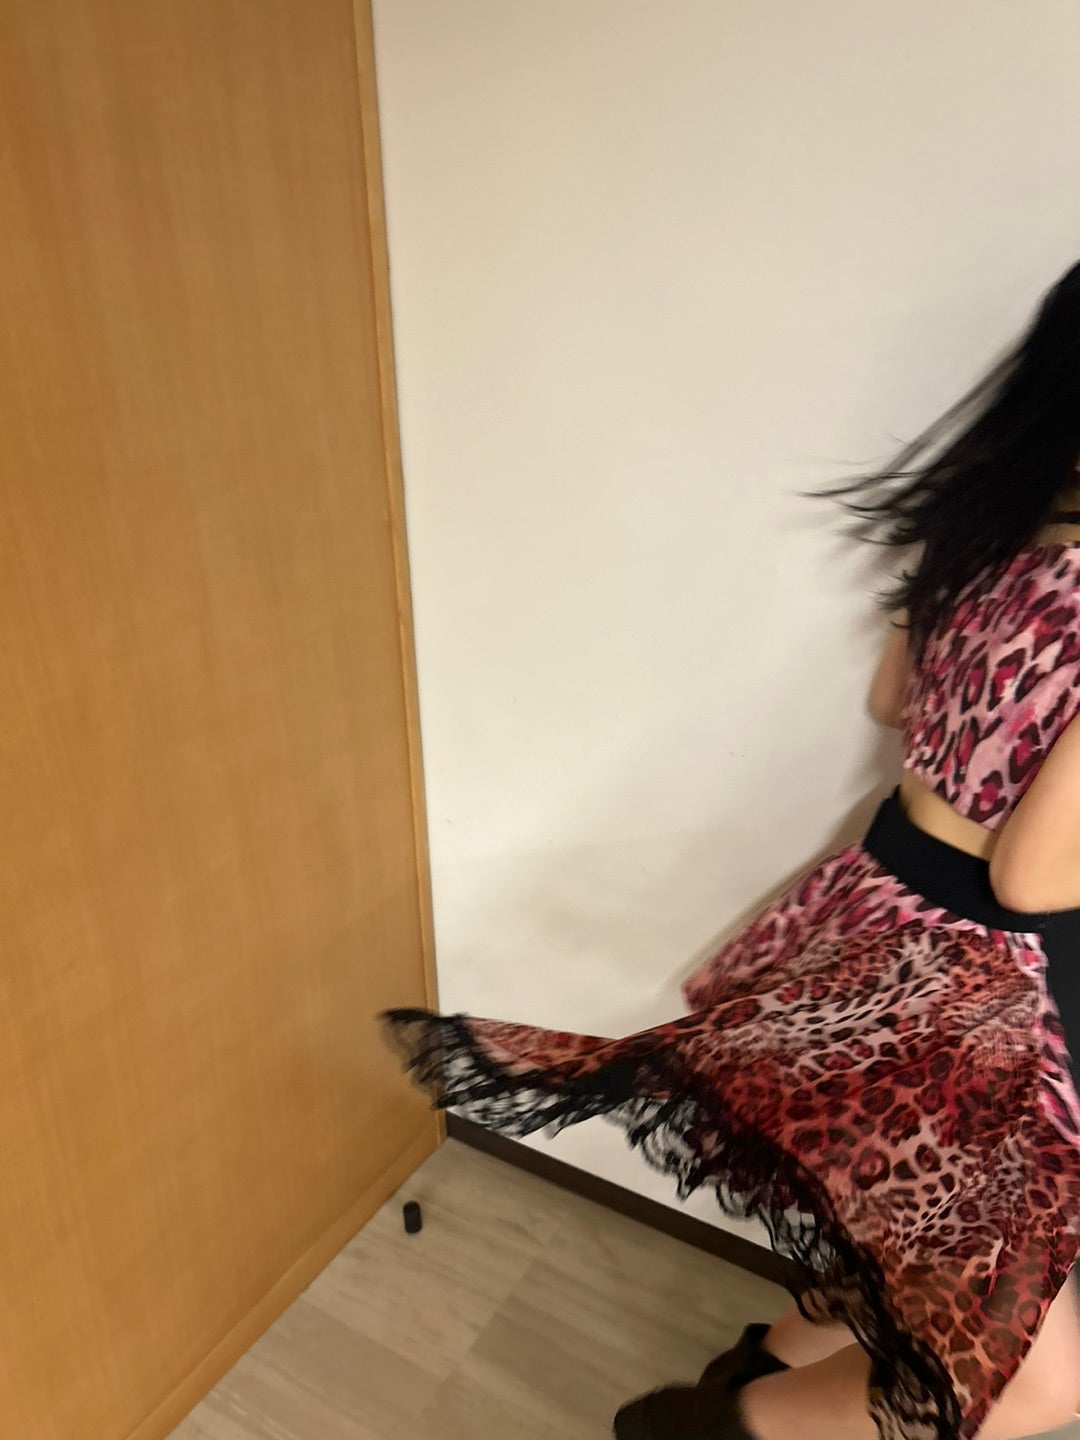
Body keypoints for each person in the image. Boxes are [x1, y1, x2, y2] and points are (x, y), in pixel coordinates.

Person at [383, 261, 1080, 1440]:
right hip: (981, 989)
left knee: (900, 1252)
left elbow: (891, 702)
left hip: (876, 912)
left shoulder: (986, 531)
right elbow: (1035, 874)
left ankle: (741, 1383)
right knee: (1033, 1373)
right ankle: (712, 1428)